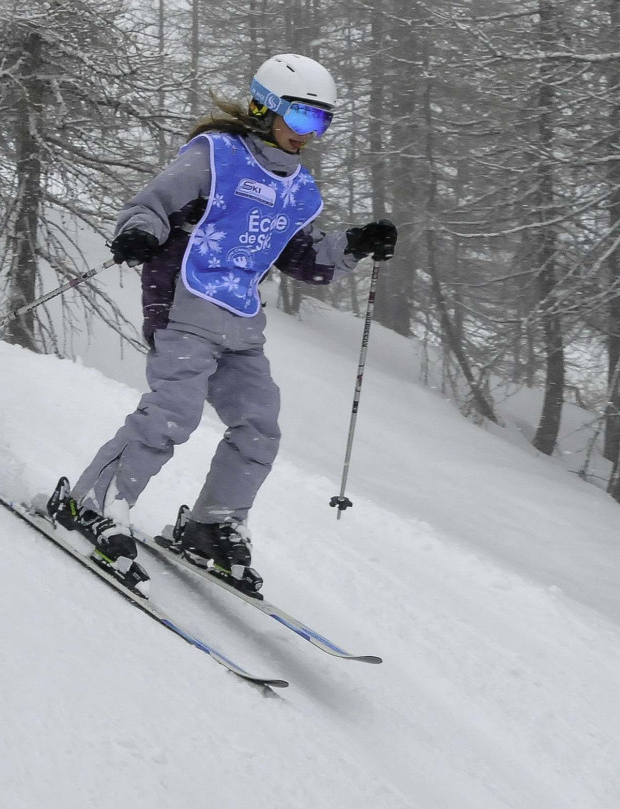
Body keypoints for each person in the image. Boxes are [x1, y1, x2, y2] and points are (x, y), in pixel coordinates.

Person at [52, 53, 396, 596]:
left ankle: (211, 526)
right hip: (183, 306)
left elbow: (305, 259)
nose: (309, 132)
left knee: (260, 426)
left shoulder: (298, 188)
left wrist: (354, 245)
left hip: (241, 324)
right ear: (265, 108)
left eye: (322, 121)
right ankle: (91, 505)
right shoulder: (216, 156)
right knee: (173, 413)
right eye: (301, 116)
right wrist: (140, 231)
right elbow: (153, 203)